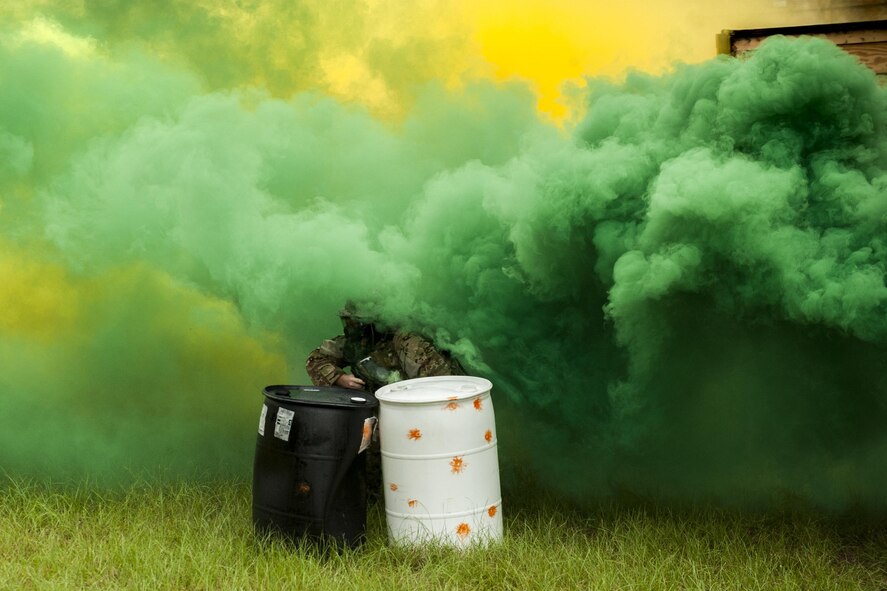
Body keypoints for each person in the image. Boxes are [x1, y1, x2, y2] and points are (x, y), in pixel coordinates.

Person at [305, 303, 464, 393]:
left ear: (372, 323)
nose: (349, 327)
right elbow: (315, 360)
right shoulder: (354, 343)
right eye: (347, 321)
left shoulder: (409, 343)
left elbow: (444, 390)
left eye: (354, 322)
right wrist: (339, 378)